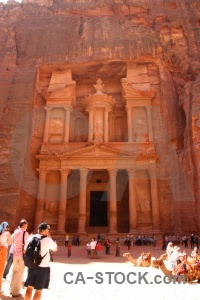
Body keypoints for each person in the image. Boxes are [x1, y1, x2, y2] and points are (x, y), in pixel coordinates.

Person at [24, 222, 57, 300]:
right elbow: (55, 249)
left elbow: (25, 250)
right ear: (45, 231)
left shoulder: (31, 238)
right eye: (47, 230)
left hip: (32, 266)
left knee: (29, 287)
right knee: (39, 290)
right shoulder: (48, 240)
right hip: (43, 267)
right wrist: (49, 238)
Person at [10, 219, 29, 297]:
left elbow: (12, 241)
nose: (27, 227)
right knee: (20, 274)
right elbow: (27, 244)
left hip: (15, 254)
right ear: (24, 226)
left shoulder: (15, 232)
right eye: (26, 226)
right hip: (22, 255)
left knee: (14, 272)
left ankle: (11, 289)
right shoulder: (25, 233)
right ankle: (15, 292)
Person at [0, 222, 12, 293]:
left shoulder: (0, 232)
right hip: (3, 250)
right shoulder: (7, 233)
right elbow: (10, 242)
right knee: (1, 270)